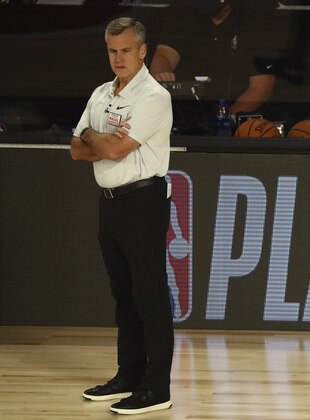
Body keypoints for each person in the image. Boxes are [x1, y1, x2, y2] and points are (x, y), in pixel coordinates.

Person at [70, 17, 174, 415]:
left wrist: (96, 138)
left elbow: (112, 150)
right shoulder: (100, 93)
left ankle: (157, 388)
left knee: (149, 297)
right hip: (109, 201)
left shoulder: (153, 96)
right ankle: (128, 376)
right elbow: (76, 149)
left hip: (143, 201)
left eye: (126, 50)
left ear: (143, 50)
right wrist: (102, 139)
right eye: (113, 51)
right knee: (123, 295)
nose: (118, 58)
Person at [149, 0, 276, 120]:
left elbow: (261, 87)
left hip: (234, 120)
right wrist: (162, 77)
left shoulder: (254, 21)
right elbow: (164, 55)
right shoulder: (183, 13)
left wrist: (226, 119)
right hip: (184, 114)